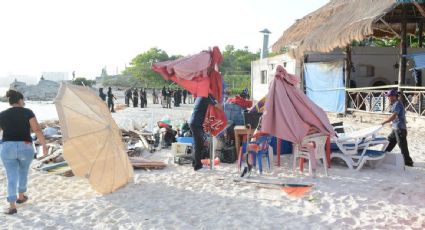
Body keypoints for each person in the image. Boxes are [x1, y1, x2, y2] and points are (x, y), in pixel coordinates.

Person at [0, 90, 48, 215]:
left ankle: (12, 205)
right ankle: (21, 196)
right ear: (20, 100)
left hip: (7, 147)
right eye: (23, 100)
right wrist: (44, 146)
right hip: (25, 147)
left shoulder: (2, 114)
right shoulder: (28, 112)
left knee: (11, 176)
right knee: (23, 172)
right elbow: (36, 129)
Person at [381, 89, 414, 167]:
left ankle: (408, 162)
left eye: (389, 97)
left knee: (402, 146)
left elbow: (394, 116)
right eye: (388, 97)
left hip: (400, 129)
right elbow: (396, 117)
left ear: (394, 97)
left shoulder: (397, 104)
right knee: (389, 141)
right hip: (396, 128)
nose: (388, 98)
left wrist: (385, 122)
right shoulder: (395, 103)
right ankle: (383, 156)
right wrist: (392, 123)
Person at [189, 95, 219, 171]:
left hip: (194, 122)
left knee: (198, 144)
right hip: (196, 124)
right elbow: (217, 105)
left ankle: (195, 163)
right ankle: (197, 166)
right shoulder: (205, 98)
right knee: (198, 145)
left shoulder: (200, 96)